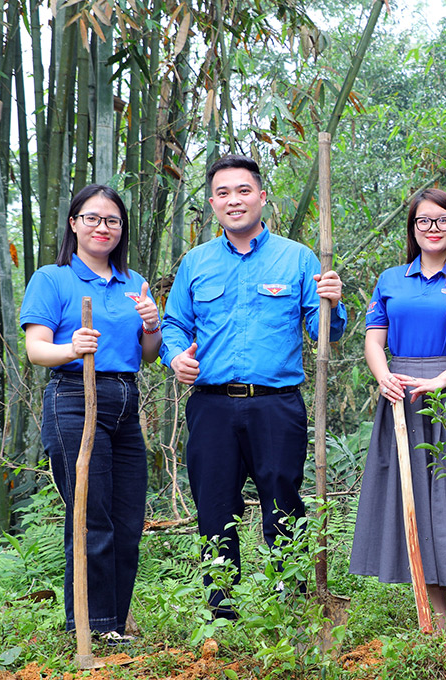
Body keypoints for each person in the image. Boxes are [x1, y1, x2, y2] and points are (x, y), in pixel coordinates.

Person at [160, 155, 346, 615]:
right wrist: (175, 356)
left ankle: (292, 599)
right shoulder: (195, 263)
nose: (234, 200)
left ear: (262, 197)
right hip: (212, 405)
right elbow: (173, 324)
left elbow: (326, 332)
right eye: (223, 193)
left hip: (276, 404)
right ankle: (220, 604)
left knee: (283, 498)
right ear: (212, 204)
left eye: (243, 191)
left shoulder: (298, 257)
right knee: (214, 501)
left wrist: (332, 304)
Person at [349, 188, 446, 639]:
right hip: (402, 396)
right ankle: (437, 612)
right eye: (423, 221)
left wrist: (440, 381)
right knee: (415, 504)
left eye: (442, 220)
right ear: (413, 229)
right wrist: (383, 377)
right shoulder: (391, 279)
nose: (433, 228)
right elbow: (375, 340)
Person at [21, 185, 160, 642]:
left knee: (127, 517)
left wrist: (152, 326)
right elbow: (35, 349)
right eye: (94, 218)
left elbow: (146, 355)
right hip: (74, 398)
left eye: (113, 221)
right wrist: (69, 348)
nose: (104, 227)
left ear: (122, 229)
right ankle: (92, 626)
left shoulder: (131, 281)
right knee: (90, 514)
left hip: (124, 399)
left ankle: (114, 623)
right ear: (74, 223)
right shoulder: (53, 277)